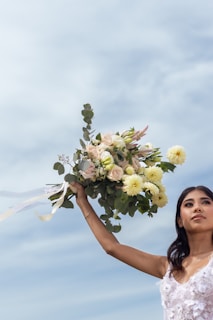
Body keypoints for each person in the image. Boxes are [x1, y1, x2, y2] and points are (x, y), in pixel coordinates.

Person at [70, 182, 213, 320]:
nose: (197, 208)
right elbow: (112, 247)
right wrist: (82, 201)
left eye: (206, 202)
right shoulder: (168, 267)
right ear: (180, 221)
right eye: (189, 204)